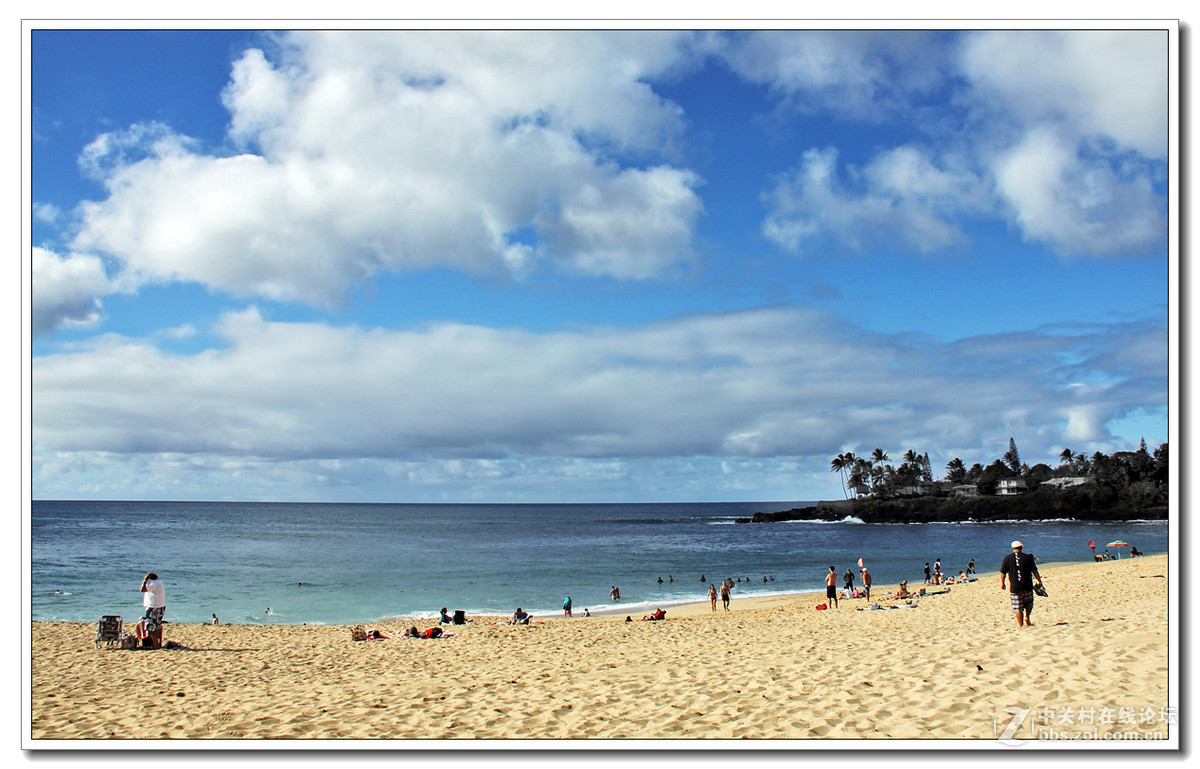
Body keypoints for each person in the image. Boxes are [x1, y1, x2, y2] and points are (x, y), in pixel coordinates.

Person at [1000, 540, 1043, 628]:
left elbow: (1003, 573)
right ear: (1021, 547)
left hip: (1015, 587)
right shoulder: (1028, 557)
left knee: (1017, 606)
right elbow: (1034, 571)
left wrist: (1002, 583)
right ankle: (1027, 617)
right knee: (1029, 602)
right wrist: (1039, 581)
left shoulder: (1007, 558)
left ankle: (1021, 625)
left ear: (1012, 548)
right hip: (1027, 584)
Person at [139, 572, 166, 649]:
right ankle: (156, 644)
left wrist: (144, 580)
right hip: (160, 606)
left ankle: (155, 645)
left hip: (153, 607)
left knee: (151, 627)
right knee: (156, 626)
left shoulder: (153, 584)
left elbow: (142, 589)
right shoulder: (159, 583)